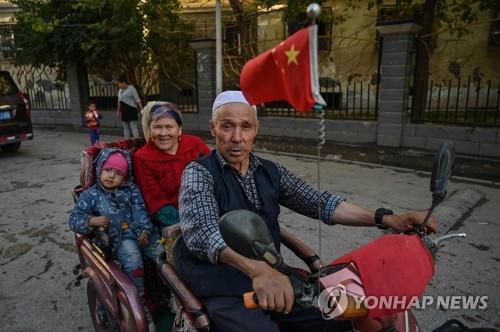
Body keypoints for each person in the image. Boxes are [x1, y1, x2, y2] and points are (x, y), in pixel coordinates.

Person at [177, 90, 438, 332]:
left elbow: (319, 202)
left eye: (245, 126)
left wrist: (385, 218)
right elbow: (204, 233)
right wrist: (258, 271)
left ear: (256, 129)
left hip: (274, 278)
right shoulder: (199, 172)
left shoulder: (269, 171)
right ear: (213, 129)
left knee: (340, 318)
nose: (237, 137)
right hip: (222, 285)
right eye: (227, 126)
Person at [68, 148, 163, 332]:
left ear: (125, 177)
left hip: (140, 231)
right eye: (108, 170)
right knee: (133, 258)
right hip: (119, 238)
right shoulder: (91, 195)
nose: (112, 176)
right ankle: (141, 306)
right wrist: (91, 220)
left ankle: (175, 295)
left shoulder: (131, 189)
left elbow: (141, 209)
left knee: (162, 253)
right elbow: (73, 220)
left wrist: (144, 229)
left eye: (118, 173)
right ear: (100, 170)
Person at [134, 101, 211, 230]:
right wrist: (190, 225)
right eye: (157, 127)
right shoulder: (142, 157)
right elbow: (156, 201)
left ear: (179, 129)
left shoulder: (195, 144)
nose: (163, 133)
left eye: (169, 127)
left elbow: (215, 176)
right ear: (150, 129)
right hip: (174, 222)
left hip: (208, 208)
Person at [116, 74, 143, 139]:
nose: (118, 85)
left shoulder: (131, 88)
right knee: (125, 126)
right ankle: (126, 140)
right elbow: (119, 102)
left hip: (131, 109)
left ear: (124, 83)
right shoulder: (120, 90)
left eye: (119, 83)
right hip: (124, 109)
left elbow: (137, 99)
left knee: (133, 126)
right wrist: (118, 111)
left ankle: (136, 140)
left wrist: (142, 109)